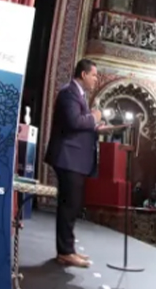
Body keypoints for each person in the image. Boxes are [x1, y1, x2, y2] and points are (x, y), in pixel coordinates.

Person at [45, 58, 109, 268]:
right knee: (68, 205)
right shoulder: (68, 93)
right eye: (94, 75)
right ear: (83, 74)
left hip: (75, 160)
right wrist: (94, 118)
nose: (95, 79)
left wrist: (95, 126)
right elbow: (74, 122)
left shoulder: (78, 95)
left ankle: (68, 249)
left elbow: (79, 123)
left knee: (72, 205)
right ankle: (64, 252)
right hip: (68, 158)